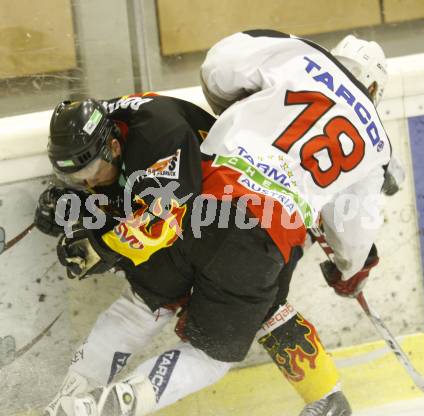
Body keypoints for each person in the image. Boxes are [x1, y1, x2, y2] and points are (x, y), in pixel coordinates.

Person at [39, 30, 396, 416]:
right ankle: (115, 405)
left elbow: (219, 66)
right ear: (376, 86)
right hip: (267, 230)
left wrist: (240, 115)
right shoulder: (376, 143)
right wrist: (350, 270)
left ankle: (66, 399)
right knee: (215, 348)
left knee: (141, 305)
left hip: (202, 196)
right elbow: (354, 234)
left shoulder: (303, 57)